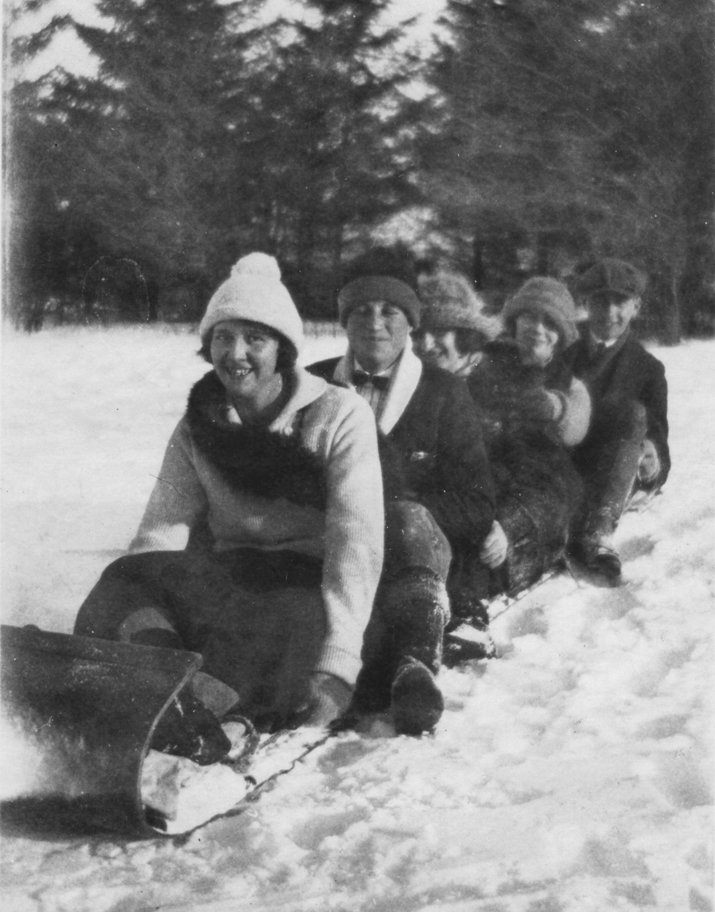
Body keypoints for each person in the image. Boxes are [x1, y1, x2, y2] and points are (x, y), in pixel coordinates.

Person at [75, 253, 385, 754]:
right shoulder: (202, 420)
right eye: (222, 337)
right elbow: (163, 527)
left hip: (306, 580)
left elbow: (357, 542)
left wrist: (340, 659)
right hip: (229, 569)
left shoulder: (338, 414)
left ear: (283, 349)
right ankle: (158, 687)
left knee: (272, 625)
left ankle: (210, 717)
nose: (235, 354)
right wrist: (146, 591)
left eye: (254, 339)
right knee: (124, 578)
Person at [310, 249, 496, 734]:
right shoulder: (311, 385)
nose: (375, 323)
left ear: (410, 322)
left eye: (389, 311)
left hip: (414, 555)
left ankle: (416, 668)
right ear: (344, 321)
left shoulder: (445, 394)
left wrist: (395, 510)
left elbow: (477, 502)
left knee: (407, 521)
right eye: (361, 311)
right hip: (332, 552)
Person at [414, 272, 589, 631]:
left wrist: (508, 524)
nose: (426, 344)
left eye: (440, 331)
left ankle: (457, 617)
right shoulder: (408, 382)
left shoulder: (504, 380)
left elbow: (544, 473)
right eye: (418, 333)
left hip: (498, 519)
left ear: (466, 335)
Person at [565, 258, 670, 582]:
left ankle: (597, 532)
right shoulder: (563, 349)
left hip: (609, 469)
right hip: (559, 462)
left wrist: (652, 457)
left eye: (620, 302)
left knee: (632, 414)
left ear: (636, 305)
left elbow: (659, 439)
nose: (610, 312)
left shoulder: (647, 368)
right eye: (601, 301)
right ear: (586, 303)